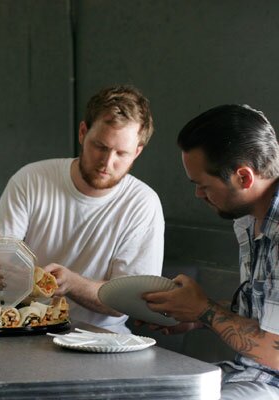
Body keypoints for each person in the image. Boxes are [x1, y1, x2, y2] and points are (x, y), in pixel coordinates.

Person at [0, 85, 164, 333]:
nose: (107, 162)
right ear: (83, 133)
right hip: (25, 329)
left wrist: (72, 284)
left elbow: (130, 302)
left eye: (121, 153)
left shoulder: (143, 204)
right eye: (100, 147)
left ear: (137, 152)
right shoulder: (31, 179)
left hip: (103, 339)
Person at [143, 104, 279, 399]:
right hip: (247, 373)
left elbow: (276, 351)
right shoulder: (248, 218)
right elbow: (263, 313)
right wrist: (190, 315)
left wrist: (203, 310)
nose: (198, 194)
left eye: (203, 185)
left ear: (244, 178)